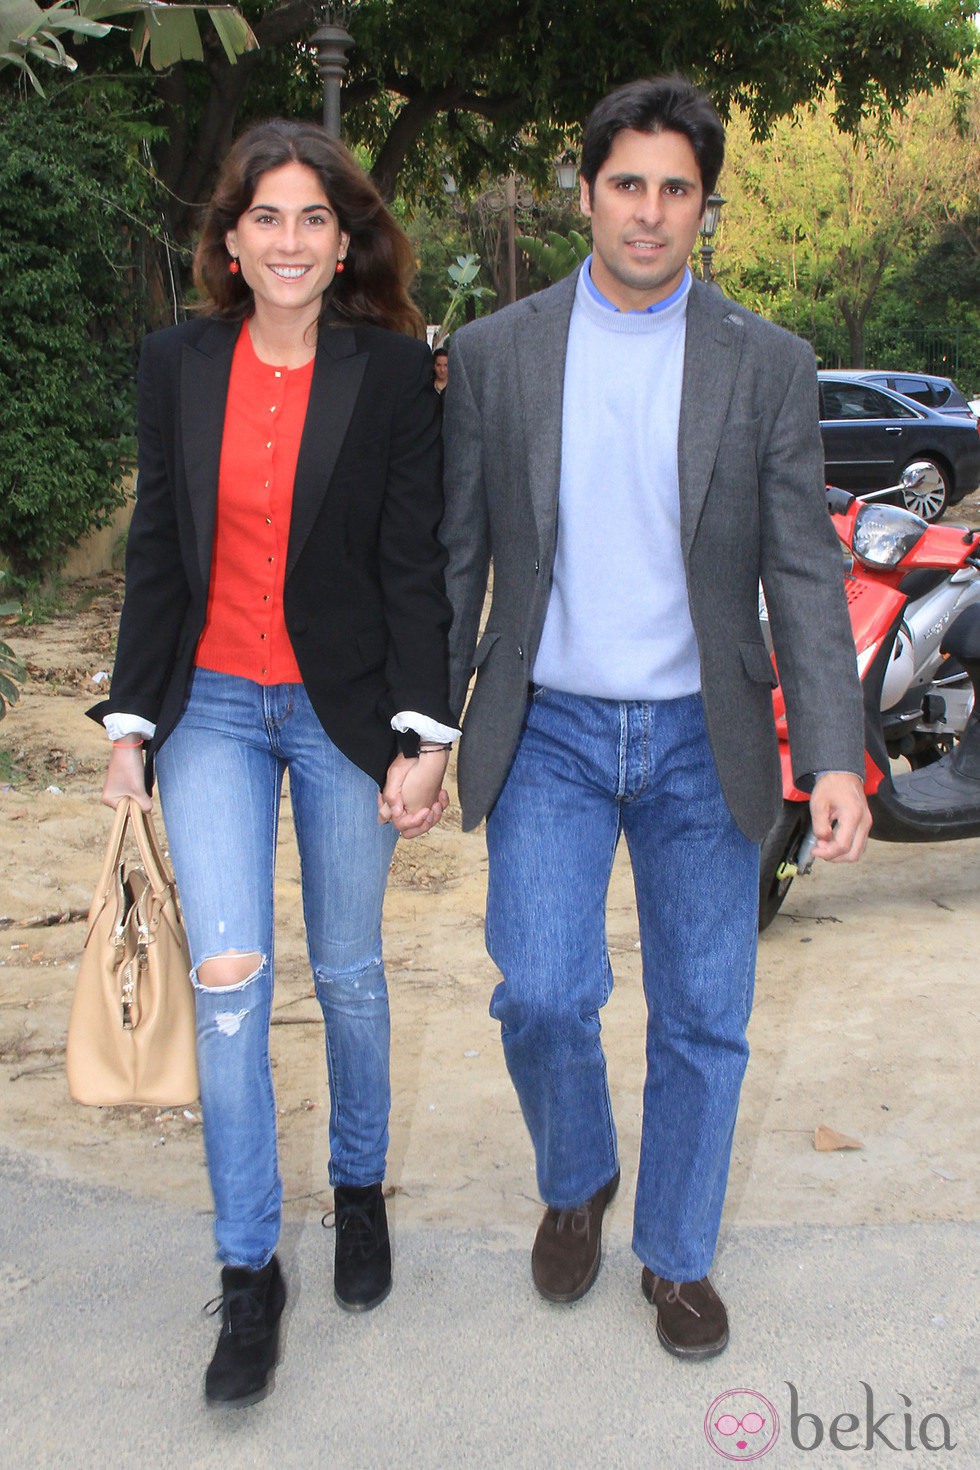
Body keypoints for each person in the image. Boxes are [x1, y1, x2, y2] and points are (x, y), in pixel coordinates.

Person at [440, 76, 871, 1360]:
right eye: (624, 184)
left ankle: (674, 1257)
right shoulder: (496, 353)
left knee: (702, 1016)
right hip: (551, 730)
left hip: (703, 735)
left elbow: (799, 568)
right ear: (584, 194)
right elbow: (457, 557)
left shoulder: (765, 362)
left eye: (674, 189)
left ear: (704, 208)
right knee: (541, 992)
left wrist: (837, 755)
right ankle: (576, 1176)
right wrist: (422, 729)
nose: (647, 211)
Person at [90, 118, 457, 1406]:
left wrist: (425, 732)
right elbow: (157, 548)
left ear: (342, 238)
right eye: (267, 218)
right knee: (232, 981)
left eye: (316, 218)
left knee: (349, 973)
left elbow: (412, 562)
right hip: (213, 712)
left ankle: (357, 1191)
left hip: (345, 710)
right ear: (231, 241)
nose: (292, 240)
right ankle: (249, 1272)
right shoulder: (174, 364)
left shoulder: (393, 370)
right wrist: (131, 719)